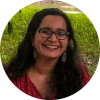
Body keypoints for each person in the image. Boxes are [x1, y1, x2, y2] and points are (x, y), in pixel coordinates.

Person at [5, 8, 90, 99]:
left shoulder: (79, 75)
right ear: (32, 39)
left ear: (67, 41)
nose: (53, 39)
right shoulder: (12, 78)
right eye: (45, 31)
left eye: (61, 33)